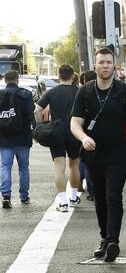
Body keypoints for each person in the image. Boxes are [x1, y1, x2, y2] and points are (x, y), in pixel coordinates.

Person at [70, 47, 126, 262]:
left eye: (108, 62)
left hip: (117, 155)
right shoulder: (84, 91)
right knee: (100, 199)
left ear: (114, 65)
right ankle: (104, 238)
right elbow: (75, 122)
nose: (104, 66)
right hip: (93, 155)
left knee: (113, 197)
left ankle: (113, 241)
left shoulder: (125, 91)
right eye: (101, 62)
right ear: (95, 65)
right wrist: (83, 138)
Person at [35, 64, 82, 212]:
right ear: (73, 76)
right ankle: (73, 197)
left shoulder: (52, 92)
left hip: (56, 131)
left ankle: (62, 202)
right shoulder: (79, 92)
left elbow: (37, 110)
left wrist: (41, 125)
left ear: (59, 75)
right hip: (75, 130)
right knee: (74, 164)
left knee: (59, 167)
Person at [0, 70, 35, 208]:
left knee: (5, 166)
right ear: (18, 79)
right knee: (24, 168)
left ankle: (6, 196)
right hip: (22, 137)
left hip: (4, 138)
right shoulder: (26, 94)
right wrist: (35, 130)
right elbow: (31, 114)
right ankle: (24, 196)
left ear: (5, 80)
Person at [78, 70, 96, 201]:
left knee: (85, 161)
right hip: (99, 133)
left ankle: (89, 189)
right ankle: (93, 189)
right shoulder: (100, 91)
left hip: (83, 133)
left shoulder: (81, 92)